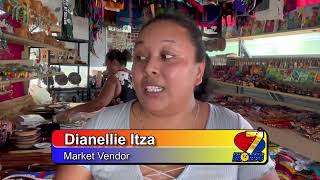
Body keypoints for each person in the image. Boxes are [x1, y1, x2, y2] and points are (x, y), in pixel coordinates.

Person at [54, 13, 279, 179]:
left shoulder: (235, 131)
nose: (149, 67)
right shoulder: (100, 128)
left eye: (167, 55)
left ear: (198, 72)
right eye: (140, 56)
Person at [60, 49, 136, 121]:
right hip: (129, 120)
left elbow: (98, 104)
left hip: (117, 122)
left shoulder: (114, 78)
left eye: (107, 64)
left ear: (114, 62)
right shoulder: (131, 76)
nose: (107, 68)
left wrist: (72, 110)